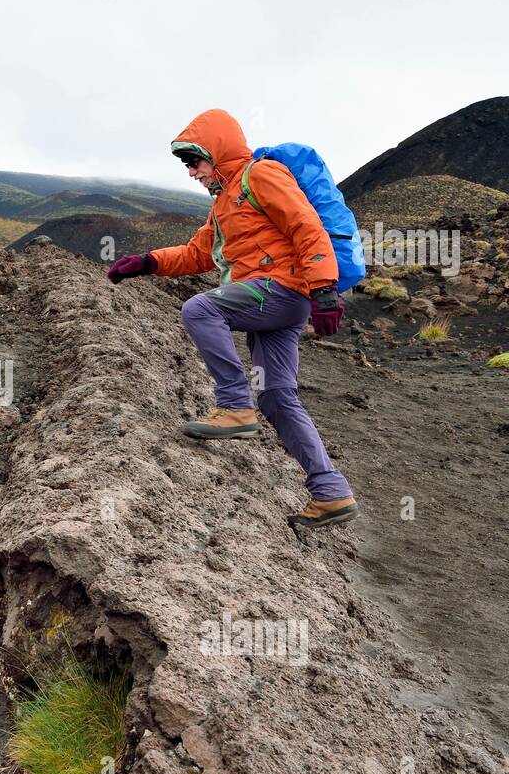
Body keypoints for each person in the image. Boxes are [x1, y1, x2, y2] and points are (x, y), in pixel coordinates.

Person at [107, 108, 356, 529]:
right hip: (275, 301)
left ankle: (234, 406)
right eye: (187, 165)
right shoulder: (225, 201)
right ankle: (331, 492)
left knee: (201, 308)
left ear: (217, 153)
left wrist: (325, 289)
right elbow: (199, 254)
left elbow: (306, 226)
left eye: (196, 162)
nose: (191, 173)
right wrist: (148, 261)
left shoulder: (261, 175)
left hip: (283, 288)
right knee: (278, 398)